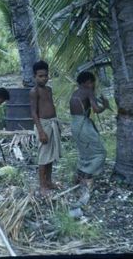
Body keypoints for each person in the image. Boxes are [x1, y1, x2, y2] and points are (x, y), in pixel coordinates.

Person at [69, 71, 109, 188]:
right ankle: (87, 174)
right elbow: (96, 110)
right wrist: (105, 106)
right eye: (93, 83)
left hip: (74, 125)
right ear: (88, 83)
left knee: (84, 153)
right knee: (101, 153)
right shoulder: (88, 92)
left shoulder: (75, 93)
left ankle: (79, 175)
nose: (94, 85)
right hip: (83, 125)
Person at [30, 60, 62, 196]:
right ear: (34, 76)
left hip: (52, 123)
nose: (44, 78)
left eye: (46, 75)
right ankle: (42, 186)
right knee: (43, 157)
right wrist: (41, 131)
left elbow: (50, 106)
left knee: (50, 156)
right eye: (40, 76)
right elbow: (33, 112)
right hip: (43, 125)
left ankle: (49, 181)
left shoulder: (49, 89)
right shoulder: (34, 91)